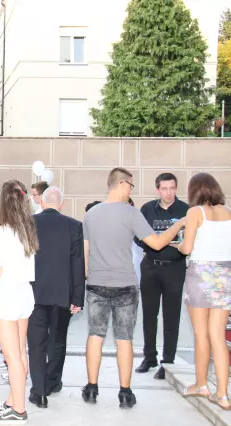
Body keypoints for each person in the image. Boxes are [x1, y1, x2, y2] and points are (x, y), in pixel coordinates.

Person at [82, 167, 185, 408]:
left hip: (96, 283)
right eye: (130, 185)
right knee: (124, 338)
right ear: (121, 184)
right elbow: (157, 243)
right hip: (125, 285)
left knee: (95, 335)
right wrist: (179, 223)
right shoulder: (131, 214)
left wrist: (88, 276)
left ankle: (91, 388)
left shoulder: (90, 214)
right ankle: (125, 392)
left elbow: (85, 252)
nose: (131, 190)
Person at [0, 180, 38, 425]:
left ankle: (19, 411)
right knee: (20, 352)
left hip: (6, 293)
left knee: (12, 356)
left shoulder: (5, 231)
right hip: (24, 292)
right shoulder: (27, 228)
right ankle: (12, 402)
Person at [177, 173, 231, 410]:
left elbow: (187, 247)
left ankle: (201, 385)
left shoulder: (195, 212)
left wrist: (179, 245)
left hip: (200, 275)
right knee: (218, 336)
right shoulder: (228, 212)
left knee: (201, 335)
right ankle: (223, 395)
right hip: (224, 276)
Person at [27, 186, 84, 409]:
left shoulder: (29, 223)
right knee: (57, 340)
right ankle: (52, 382)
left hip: (34, 293)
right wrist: (77, 298)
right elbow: (78, 264)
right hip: (63, 293)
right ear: (62, 204)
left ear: (41, 203)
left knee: (36, 343)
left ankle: (39, 391)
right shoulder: (74, 226)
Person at [134, 173, 190, 380]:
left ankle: (167, 361)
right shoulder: (147, 209)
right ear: (157, 189)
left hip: (174, 267)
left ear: (176, 188)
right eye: (164, 188)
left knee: (171, 316)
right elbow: (138, 236)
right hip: (150, 266)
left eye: (172, 188)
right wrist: (154, 244)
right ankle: (149, 357)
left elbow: (192, 238)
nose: (169, 193)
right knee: (149, 314)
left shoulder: (186, 210)